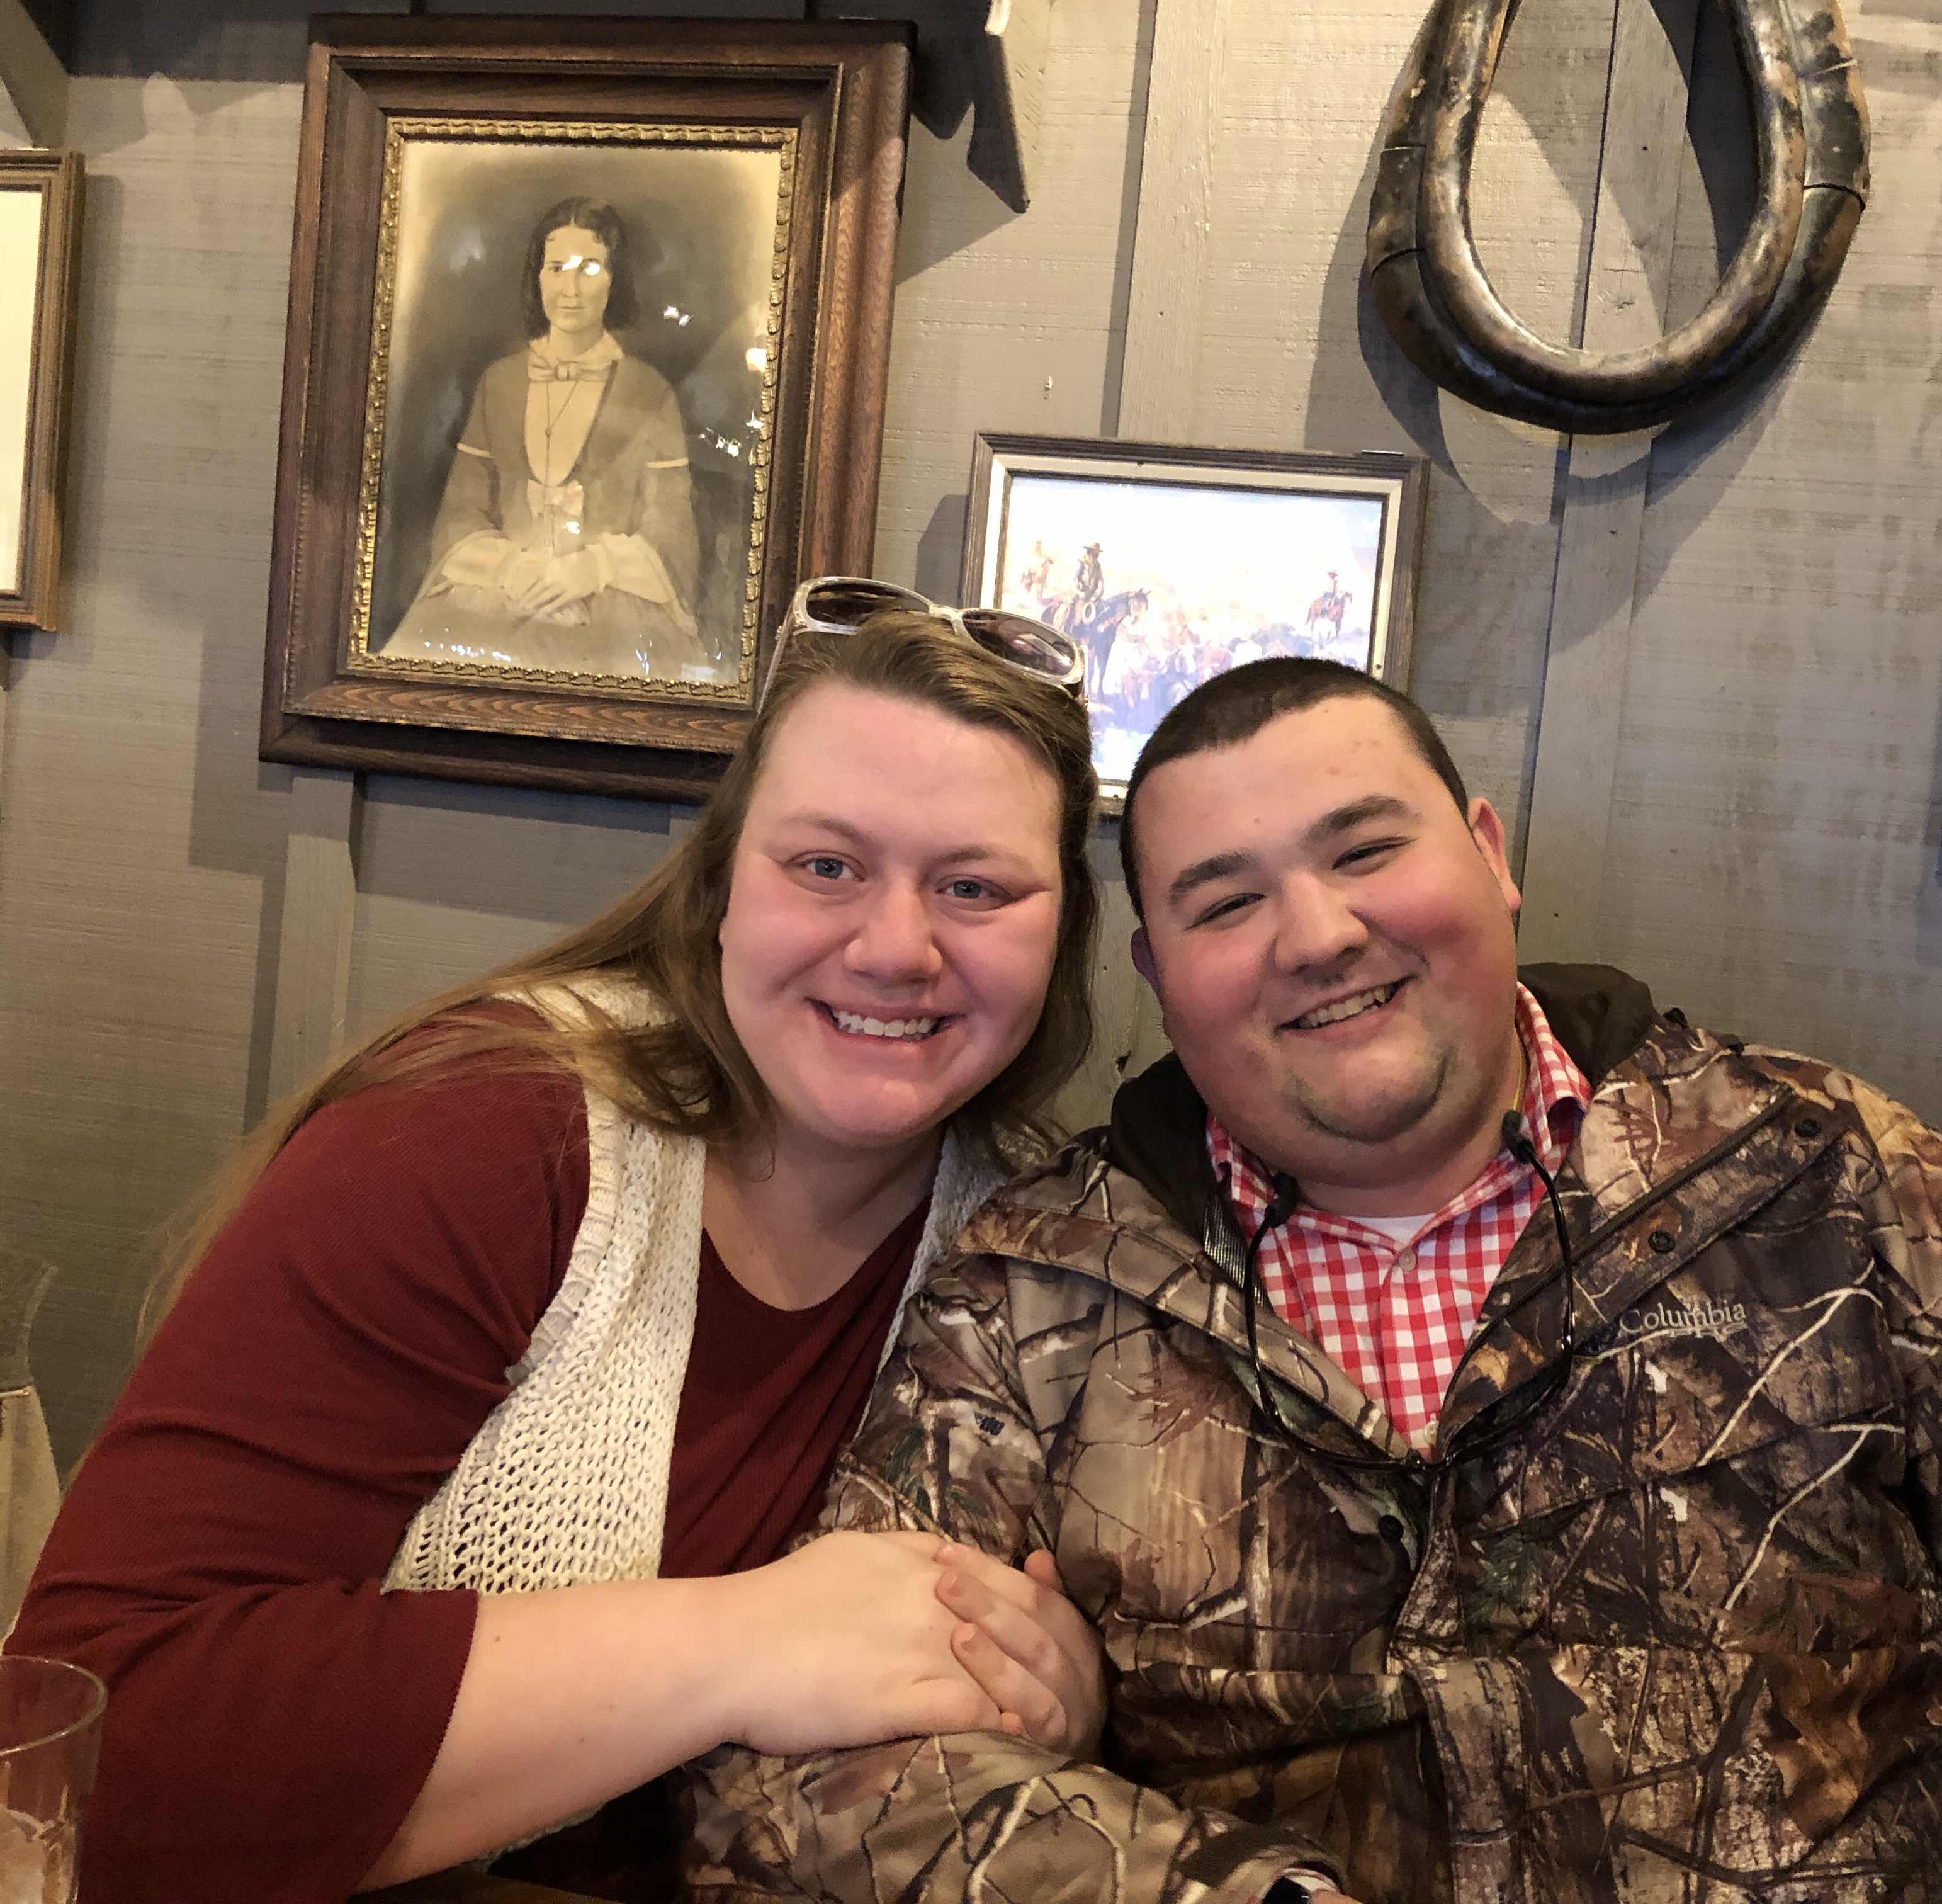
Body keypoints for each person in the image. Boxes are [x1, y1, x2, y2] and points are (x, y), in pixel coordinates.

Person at [686, 656, 1942, 1903]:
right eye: (1225, 901)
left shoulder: (1830, 1179)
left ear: (1488, 853)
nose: (1315, 934)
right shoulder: (1038, 1287)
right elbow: (797, 1783)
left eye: (1364, 850)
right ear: (1158, 975)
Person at [8, 584, 1115, 1903]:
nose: (895, 947)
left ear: (1064, 934)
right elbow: (97, 1752)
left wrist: (1060, 1698)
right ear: (722, 884)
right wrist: (740, 1643)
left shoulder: (1048, 1246)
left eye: (975, 887)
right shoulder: (483, 1129)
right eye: (826, 866)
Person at [377, 196, 711, 681]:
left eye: (589, 269)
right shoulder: (500, 382)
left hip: (611, 600)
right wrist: (512, 570)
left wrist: (591, 569)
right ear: (538, 277)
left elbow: (671, 528)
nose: (570, 290)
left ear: (614, 280)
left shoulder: (649, 390)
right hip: (503, 588)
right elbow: (462, 510)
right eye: (556, 269)